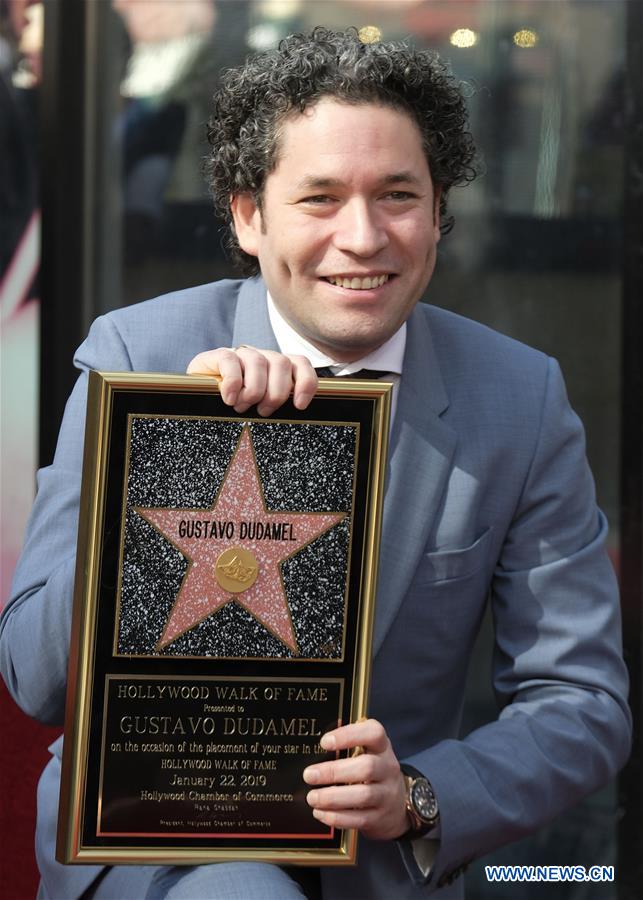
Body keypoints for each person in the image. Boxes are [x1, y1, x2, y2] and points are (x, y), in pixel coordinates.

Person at [0, 27, 631, 900]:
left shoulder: (518, 401)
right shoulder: (137, 351)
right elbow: (35, 678)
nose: (363, 237)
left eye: (398, 195)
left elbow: (581, 703)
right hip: (150, 852)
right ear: (248, 215)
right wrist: (174, 452)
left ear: (439, 210)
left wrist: (416, 794)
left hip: (378, 872)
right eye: (321, 198)